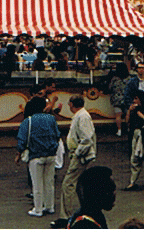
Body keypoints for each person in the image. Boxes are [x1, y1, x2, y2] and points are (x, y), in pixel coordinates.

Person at [51, 95, 97, 228]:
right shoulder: (81, 115)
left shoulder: (82, 117)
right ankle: (81, 212)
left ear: (72, 104)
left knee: (68, 184)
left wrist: (77, 153)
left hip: (80, 155)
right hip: (79, 154)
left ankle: (66, 216)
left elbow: (87, 138)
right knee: (78, 184)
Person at [16, 97, 60, 217]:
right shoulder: (51, 119)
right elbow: (57, 135)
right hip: (51, 154)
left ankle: (38, 209)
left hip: (35, 155)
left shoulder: (28, 121)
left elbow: (22, 141)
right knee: (49, 182)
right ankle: (49, 206)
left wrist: (19, 154)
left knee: (37, 184)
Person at [109, 62, 130, 137]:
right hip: (126, 98)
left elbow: (110, 87)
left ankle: (119, 130)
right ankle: (128, 128)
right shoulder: (129, 78)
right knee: (128, 113)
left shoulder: (115, 78)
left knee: (118, 115)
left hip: (117, 99)